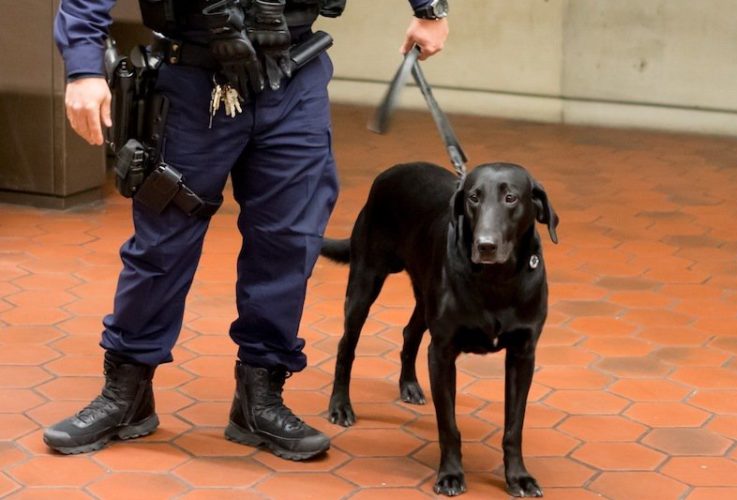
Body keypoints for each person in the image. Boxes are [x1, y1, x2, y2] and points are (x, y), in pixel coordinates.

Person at [44, 0, 450, 460]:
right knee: (162, 243)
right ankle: (127, 393)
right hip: (193, 76)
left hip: (292, 75)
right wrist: (83, 66)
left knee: (290, 241)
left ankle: (260, 398)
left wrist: (429, 8)